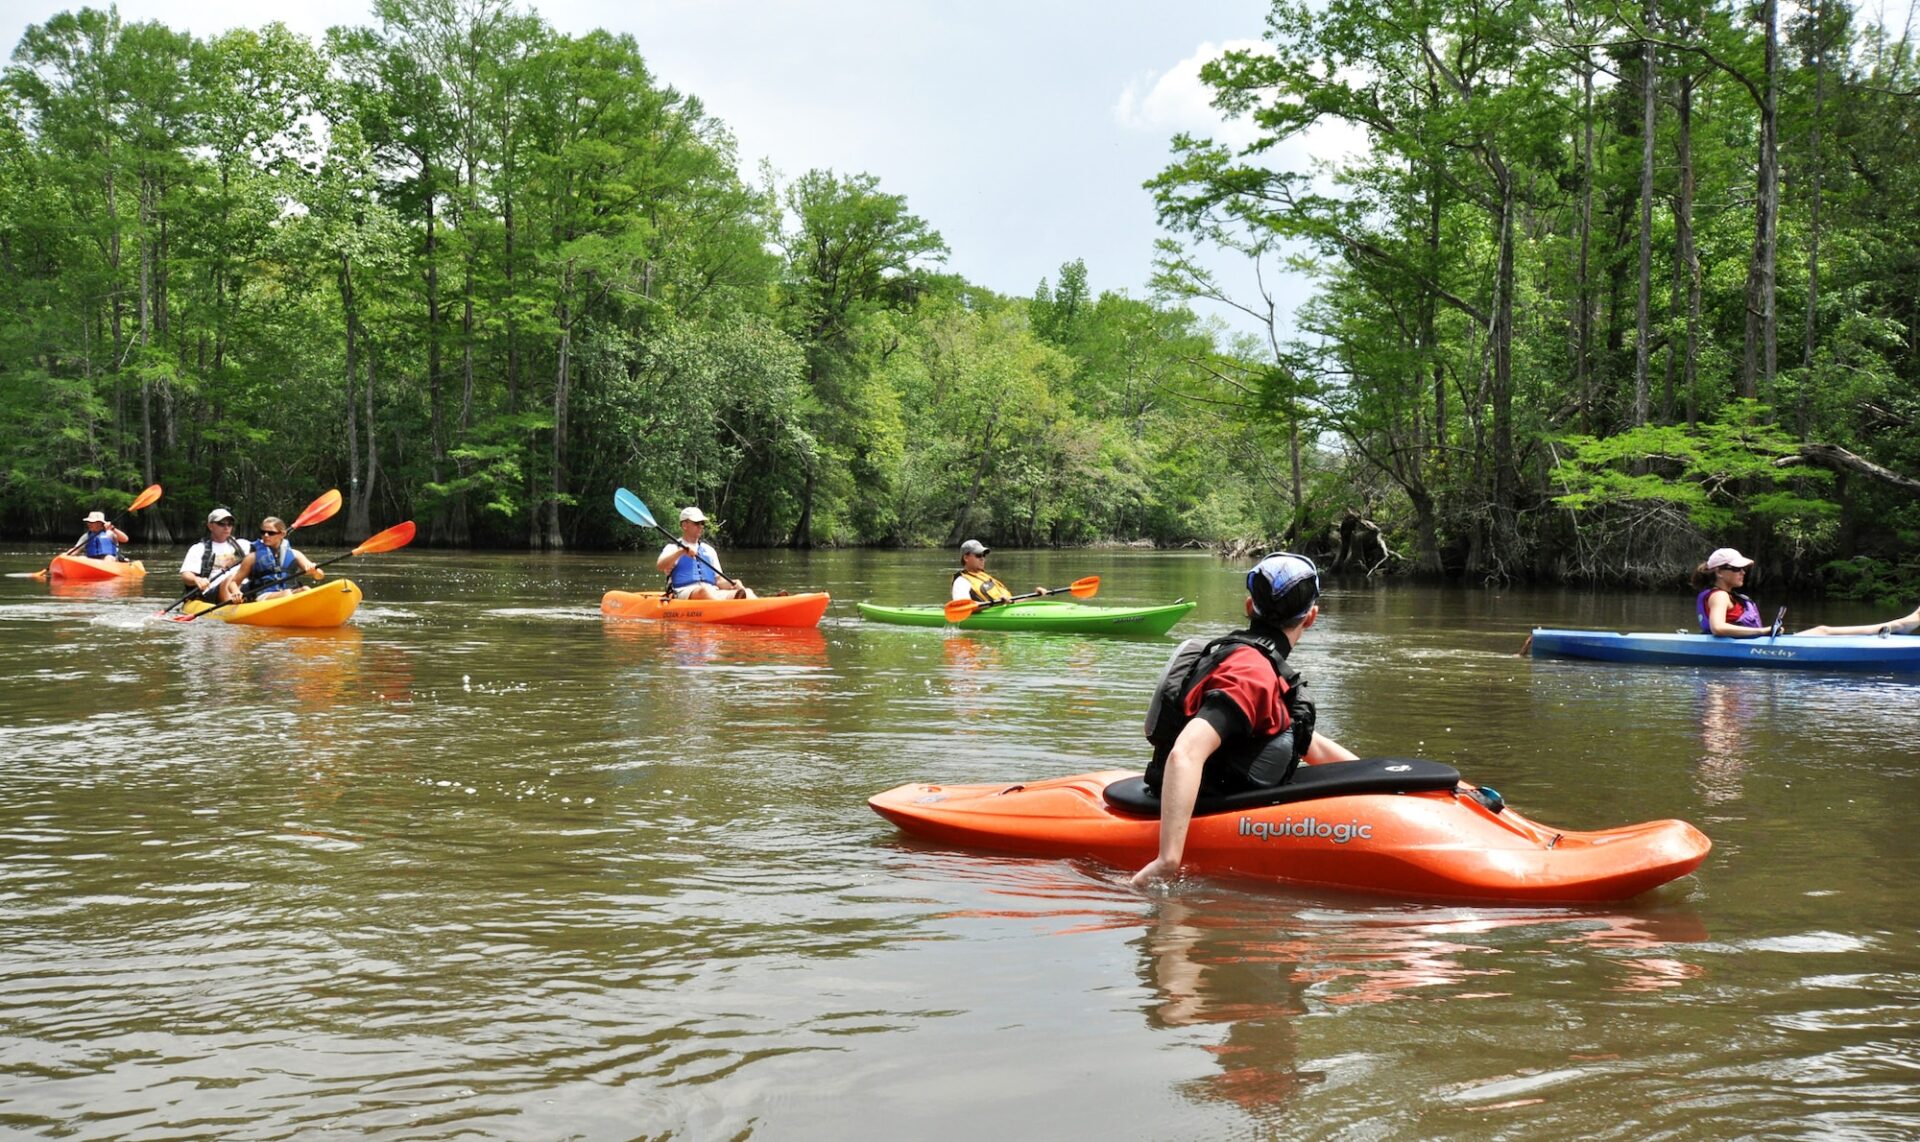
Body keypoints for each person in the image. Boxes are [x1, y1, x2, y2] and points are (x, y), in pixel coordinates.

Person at [1131, 552, 1359, 889]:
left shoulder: (1259, 663)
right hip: (1208, 810)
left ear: (1250, 605)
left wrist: (1386, 779)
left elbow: (1307, 743)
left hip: (1219, 792)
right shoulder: (1250, 673)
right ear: (1312, 617)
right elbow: (1186, 752)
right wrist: (1168, 860)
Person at [1694, 546, 1920, 637]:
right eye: (1736, 569)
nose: (1743, 572)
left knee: (1823, 630)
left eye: (1743, 568)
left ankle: (1898, 626)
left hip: (1756, 643)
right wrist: (1764, 631)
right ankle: (1899, 626)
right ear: (1720, 573)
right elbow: (1718, 628)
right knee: (1823, 631)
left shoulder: (1724, 594)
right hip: (1755, 643)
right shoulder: (1720, 596)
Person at [654, 506, 754, 600]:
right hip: (683, 591)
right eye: (696, 523)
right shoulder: (673, 548)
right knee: (703, 591)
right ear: (684, 525)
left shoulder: (709, 550)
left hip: (712, 591)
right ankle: (724, 610)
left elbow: (718, 581)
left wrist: (732, 584)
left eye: (702, 523)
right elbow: (660, 566)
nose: (701, 526)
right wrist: (681, 552)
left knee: (747, 592)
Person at [231, 516, 322, 599]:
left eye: (271, 533)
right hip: (264, 596)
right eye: (263, 532)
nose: (266, 535)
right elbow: (233, 582)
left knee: (305, 589)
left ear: (282, 534)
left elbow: (320, 576)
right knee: (286, 594)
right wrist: (236, 591)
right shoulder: (252, 557)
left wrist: (314, 571)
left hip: (291, 593)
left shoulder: (295, 554)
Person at [178, 507, 251, 604]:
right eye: (221, 524)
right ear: (210, 526)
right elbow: (186, 575)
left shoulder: (244, 544)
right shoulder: (199, 548)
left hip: (242, 587)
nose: (227, 527)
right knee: (229, 579)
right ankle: (232, 607)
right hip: (212, 591)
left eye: (230, 524)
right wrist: (197, 579)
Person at [950, 539, 1050, 604]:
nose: (982, 559)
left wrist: (1035, 595)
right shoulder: (961, 581)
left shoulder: (985, 578)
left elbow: (1011, 600)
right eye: (978, 555)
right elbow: (962, 607)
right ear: (966, 557)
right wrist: (996, 603)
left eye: (984, 555)